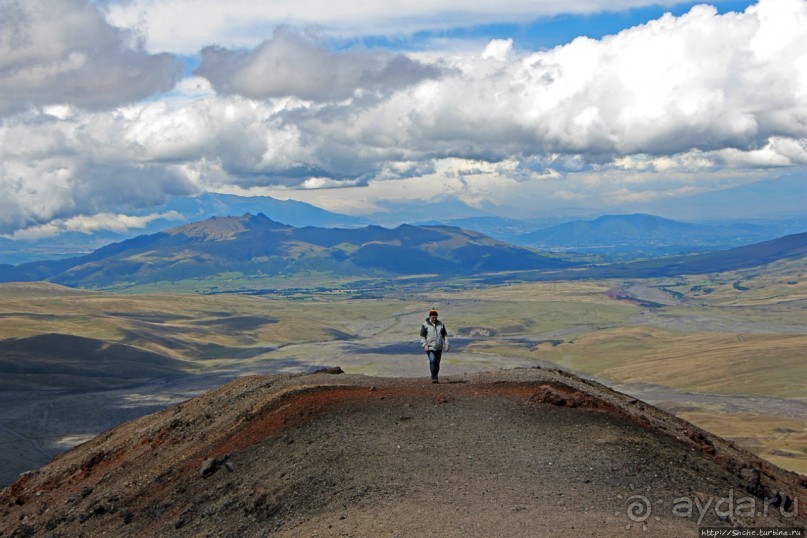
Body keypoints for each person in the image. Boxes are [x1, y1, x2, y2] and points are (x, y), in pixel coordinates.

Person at [420, 308, 449, 383]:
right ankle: (433, 377)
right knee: (432, 360)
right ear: (430, 316)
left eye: (435, 316)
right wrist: (425, 345)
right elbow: (422, 336)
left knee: (437, 363)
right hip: (430, 347)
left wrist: (447, 344)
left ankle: (435, 375)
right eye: (432, 316)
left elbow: (444, 335)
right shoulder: (425, 325)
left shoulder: (441, 324)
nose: (434, 317)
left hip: (439, 347)